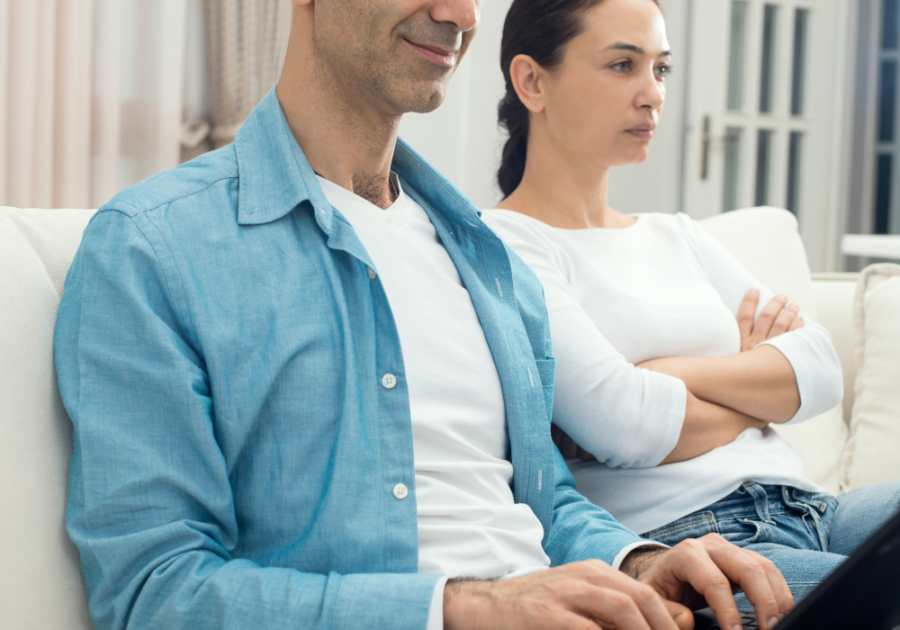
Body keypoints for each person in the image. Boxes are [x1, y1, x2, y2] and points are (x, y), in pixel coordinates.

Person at [54, 0, 795, 629]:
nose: (461, 16)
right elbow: (154, 592)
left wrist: (639, 561)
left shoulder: (480, 251)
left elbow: (543, 501)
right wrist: (465, 609)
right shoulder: (154, 247)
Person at [481, 0, 900, 610]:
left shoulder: (676, 233)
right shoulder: (507, 244)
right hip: (696, 540)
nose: (651, 93)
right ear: (531, 82)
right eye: (623, 65)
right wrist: (758, 395)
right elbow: (626, 423)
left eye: (660, 69)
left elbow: (819, 367)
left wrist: (660, 375)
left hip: (814, 506)